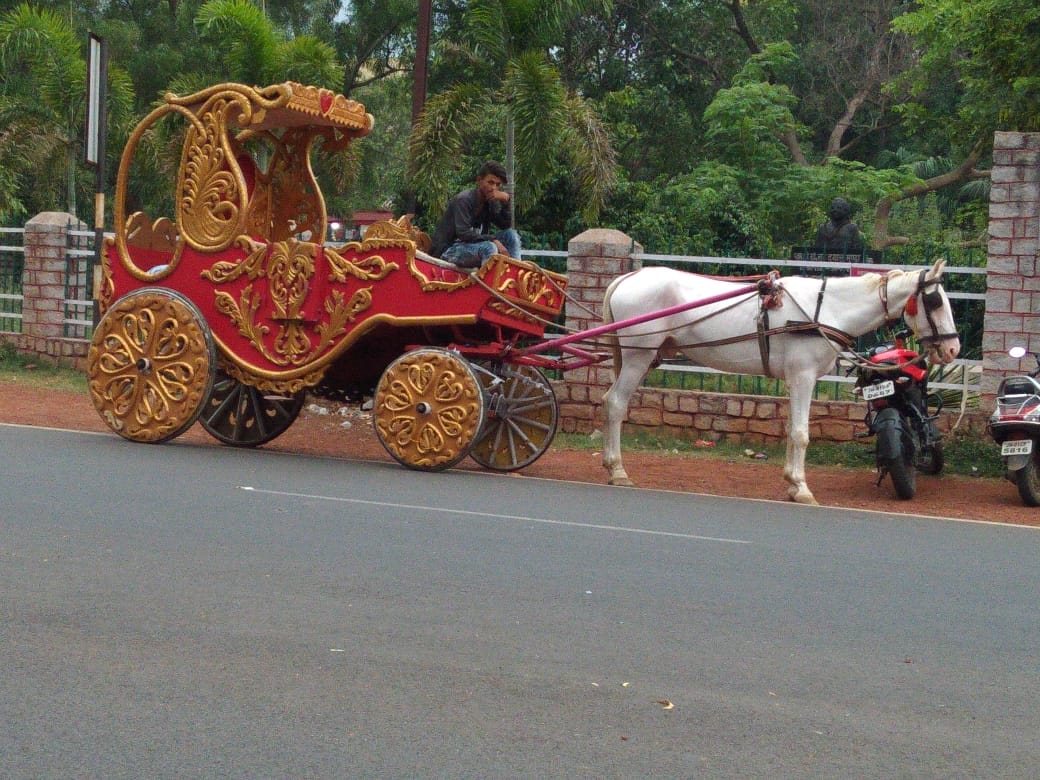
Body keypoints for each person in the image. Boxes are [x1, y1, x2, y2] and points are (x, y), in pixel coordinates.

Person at [429, 161, 521, 268]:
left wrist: (506, 202)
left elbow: (505, 225)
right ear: (479, 180)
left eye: (497, 184)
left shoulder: (491, 202)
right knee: (489, 247)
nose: (494, 188)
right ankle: (489, 282)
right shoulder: (464, 200)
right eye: (490, 182)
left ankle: (515, 275)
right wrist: (493, 240)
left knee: (511, 235)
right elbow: (463, 233)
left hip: (472, 247)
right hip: (449, 250)